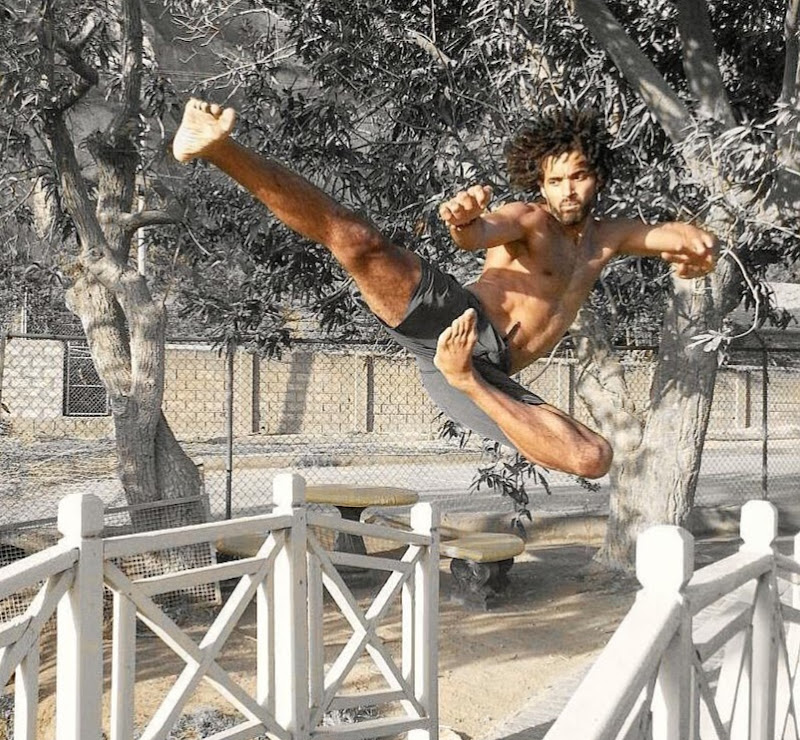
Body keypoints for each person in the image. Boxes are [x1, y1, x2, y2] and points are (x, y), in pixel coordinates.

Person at [172, 100, 718, 479]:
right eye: (555, 180)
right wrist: (463, 221)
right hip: (457, 322)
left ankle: (465, 381)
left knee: (592, 457)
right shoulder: (530, 220)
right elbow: (478, 234)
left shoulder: (608, 237)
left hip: (482, 373)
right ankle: (219, 147)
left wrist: (701, 247)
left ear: (596, 176)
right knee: (360, 243)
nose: (567, 191)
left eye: (577, 176)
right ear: (540, 184)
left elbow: (678, 235)